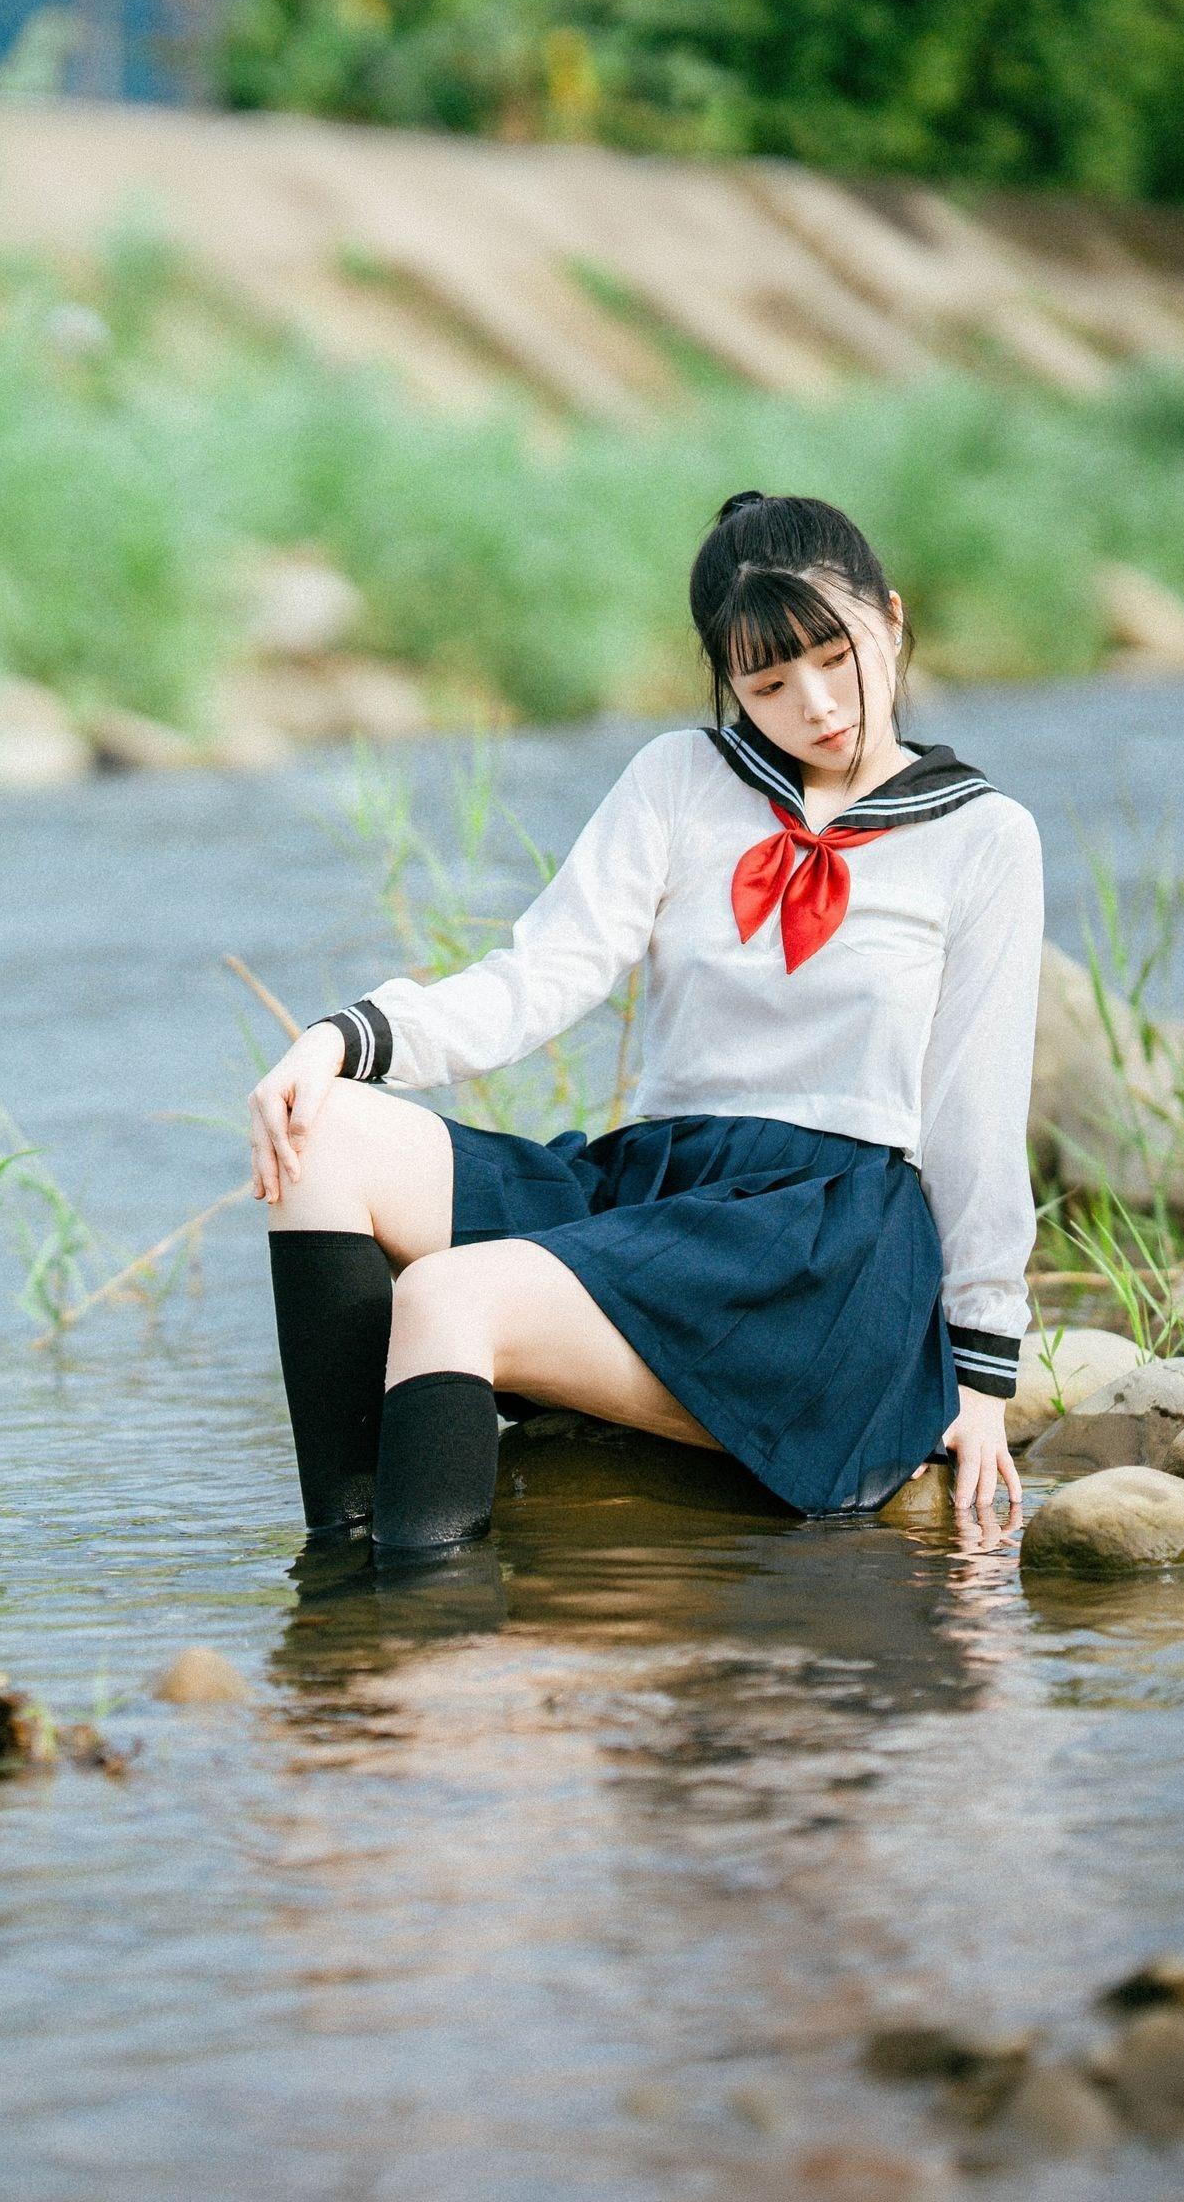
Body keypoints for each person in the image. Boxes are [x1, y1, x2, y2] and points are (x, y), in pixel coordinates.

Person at [248, 491, 1040, 1559]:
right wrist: (340, 1040)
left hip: (819, 1246)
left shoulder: (985, 836)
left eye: (837, 656)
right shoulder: (680, 779)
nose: (816, 702)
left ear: (892, 621)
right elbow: (538, 975)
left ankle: (416, 1670)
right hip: (663, 1189)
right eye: (768, 682)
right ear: (727, 683)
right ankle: (346, 1577)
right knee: (320, 1133)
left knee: (446, 1297)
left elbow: (973, 1113)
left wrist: (984, 1372)